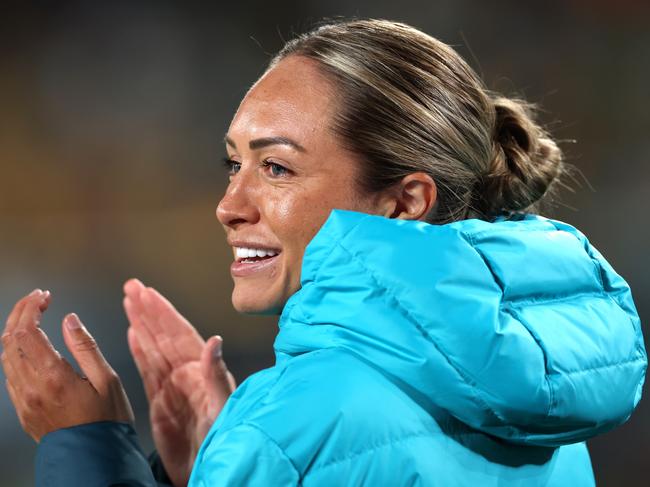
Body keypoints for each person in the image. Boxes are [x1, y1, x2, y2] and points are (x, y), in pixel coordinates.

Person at [1, 19, 646, 487]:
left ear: (404, 201)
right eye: (233, 164)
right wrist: (211, 460)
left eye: (277, 168)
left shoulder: (292, 424)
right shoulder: (546, 423)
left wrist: (84, 448)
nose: (229, 205)